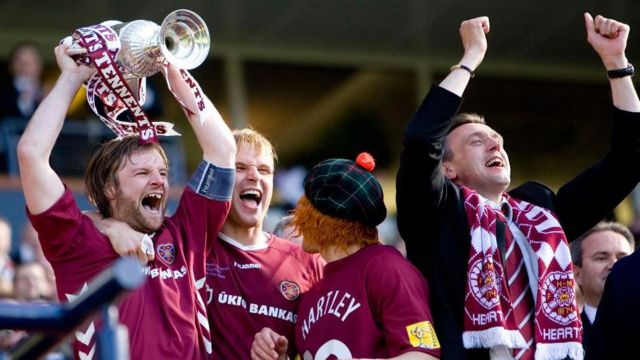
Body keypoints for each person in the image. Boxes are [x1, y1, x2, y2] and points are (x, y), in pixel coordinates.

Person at [396, 14, 640, 360]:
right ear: (447, 168)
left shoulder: (541, 212)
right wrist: (470, 59)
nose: (496, 146)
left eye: (498, 141)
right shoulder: (436, 211)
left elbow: (629, 161)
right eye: (478, 142)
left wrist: (617, 64)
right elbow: (421, 141)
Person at [16, 42, 236, 360]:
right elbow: (31, 155)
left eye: (162, 172)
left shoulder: (187, 232)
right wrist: (72, 76)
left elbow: (223, 151)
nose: (159, 180)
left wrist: (172, 66)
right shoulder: (76, 241)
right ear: (109, 188)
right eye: (142, 172)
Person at [94, 128, 324, 359]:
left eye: (264, 170)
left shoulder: (307, 262)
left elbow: (324, 346)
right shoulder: (187, 246)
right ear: (221, 182)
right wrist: (109, 225)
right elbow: (76, 222)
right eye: (240, 168)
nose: (254, 176)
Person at [252, 154, 441, 360]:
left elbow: (423, 354)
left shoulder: (385, 267)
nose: (296, 219)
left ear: (319, 221)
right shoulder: (312, 293)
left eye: (302, 211)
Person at [569, 221, 633, 344]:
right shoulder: (566, 340)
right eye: (601, 258)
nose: (615, 265)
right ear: (577, 273)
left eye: (623, 258)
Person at [0, 42, 44, 121]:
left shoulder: (48, 92)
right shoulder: (3, 91)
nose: (25, 67)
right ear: (11, 66)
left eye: (30, 63)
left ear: (39, 66)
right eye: (20, 62)